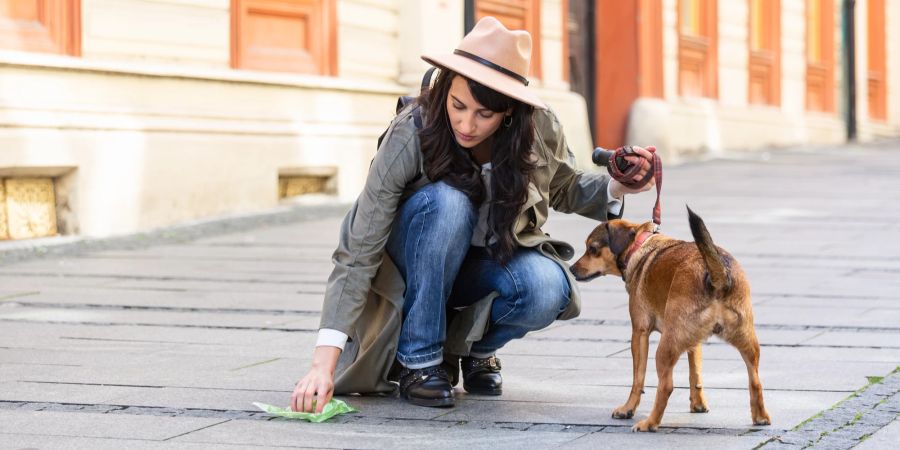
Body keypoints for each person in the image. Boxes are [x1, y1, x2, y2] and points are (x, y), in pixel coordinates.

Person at [291, 16, 656, 411]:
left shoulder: (537, 128)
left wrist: (621, 185)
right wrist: (321, 366)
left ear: (509, 113)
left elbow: (564, 186)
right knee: (448, 202)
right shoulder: (412, 131)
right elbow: (358, 248)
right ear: (446, 88)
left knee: (548, 287)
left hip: (482, 263)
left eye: (485, 114)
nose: (466, 124)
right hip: (411, 265)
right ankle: (420, 361)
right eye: (458, 105)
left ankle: (470, 350)